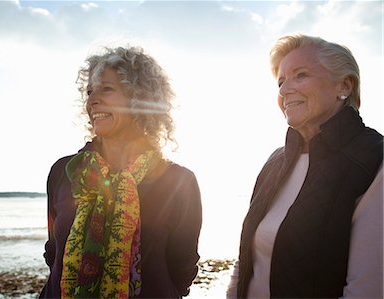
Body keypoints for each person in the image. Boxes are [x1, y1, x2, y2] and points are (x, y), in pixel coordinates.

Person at [227, 34, 383, 298]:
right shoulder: (275, 162)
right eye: (281, 81)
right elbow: (245, 261)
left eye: (300, 75)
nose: (285, 90)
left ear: (344, 85)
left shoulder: (373, 158)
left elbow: (368, 288)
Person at [40, 46, 202, 299]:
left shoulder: (177, 182)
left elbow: (182, 268)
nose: (92, 101)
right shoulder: (65, 172)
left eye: (106, 89)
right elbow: (53, 252)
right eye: (89, 91)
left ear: (139, 98)